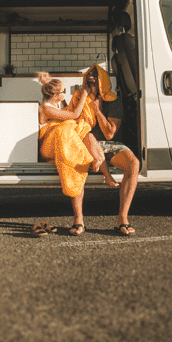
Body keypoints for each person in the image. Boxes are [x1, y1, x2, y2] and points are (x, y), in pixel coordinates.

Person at [35, 72, 113, 235]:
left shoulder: (57, 103)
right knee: (68, 127)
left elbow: (71, 110)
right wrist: (83, 94)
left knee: (82, 129)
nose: (65, 93)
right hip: (48, 147)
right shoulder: (46, 108)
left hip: (62, 142)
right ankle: (89, 157)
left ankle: (97, 160)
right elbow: (73, 114)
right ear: (55, 95)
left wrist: (80, 96)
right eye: (63, 91)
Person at [78, 64, 140, 236]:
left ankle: (123, 219)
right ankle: (78, 221)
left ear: (102, 82)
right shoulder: (82, 98)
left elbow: (110, 133)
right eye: (88, 79)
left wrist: (97, 110)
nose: (90, 82)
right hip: (89, 143)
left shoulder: (114, 101)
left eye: (94, 79)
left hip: (111, 144)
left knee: (134, 164)